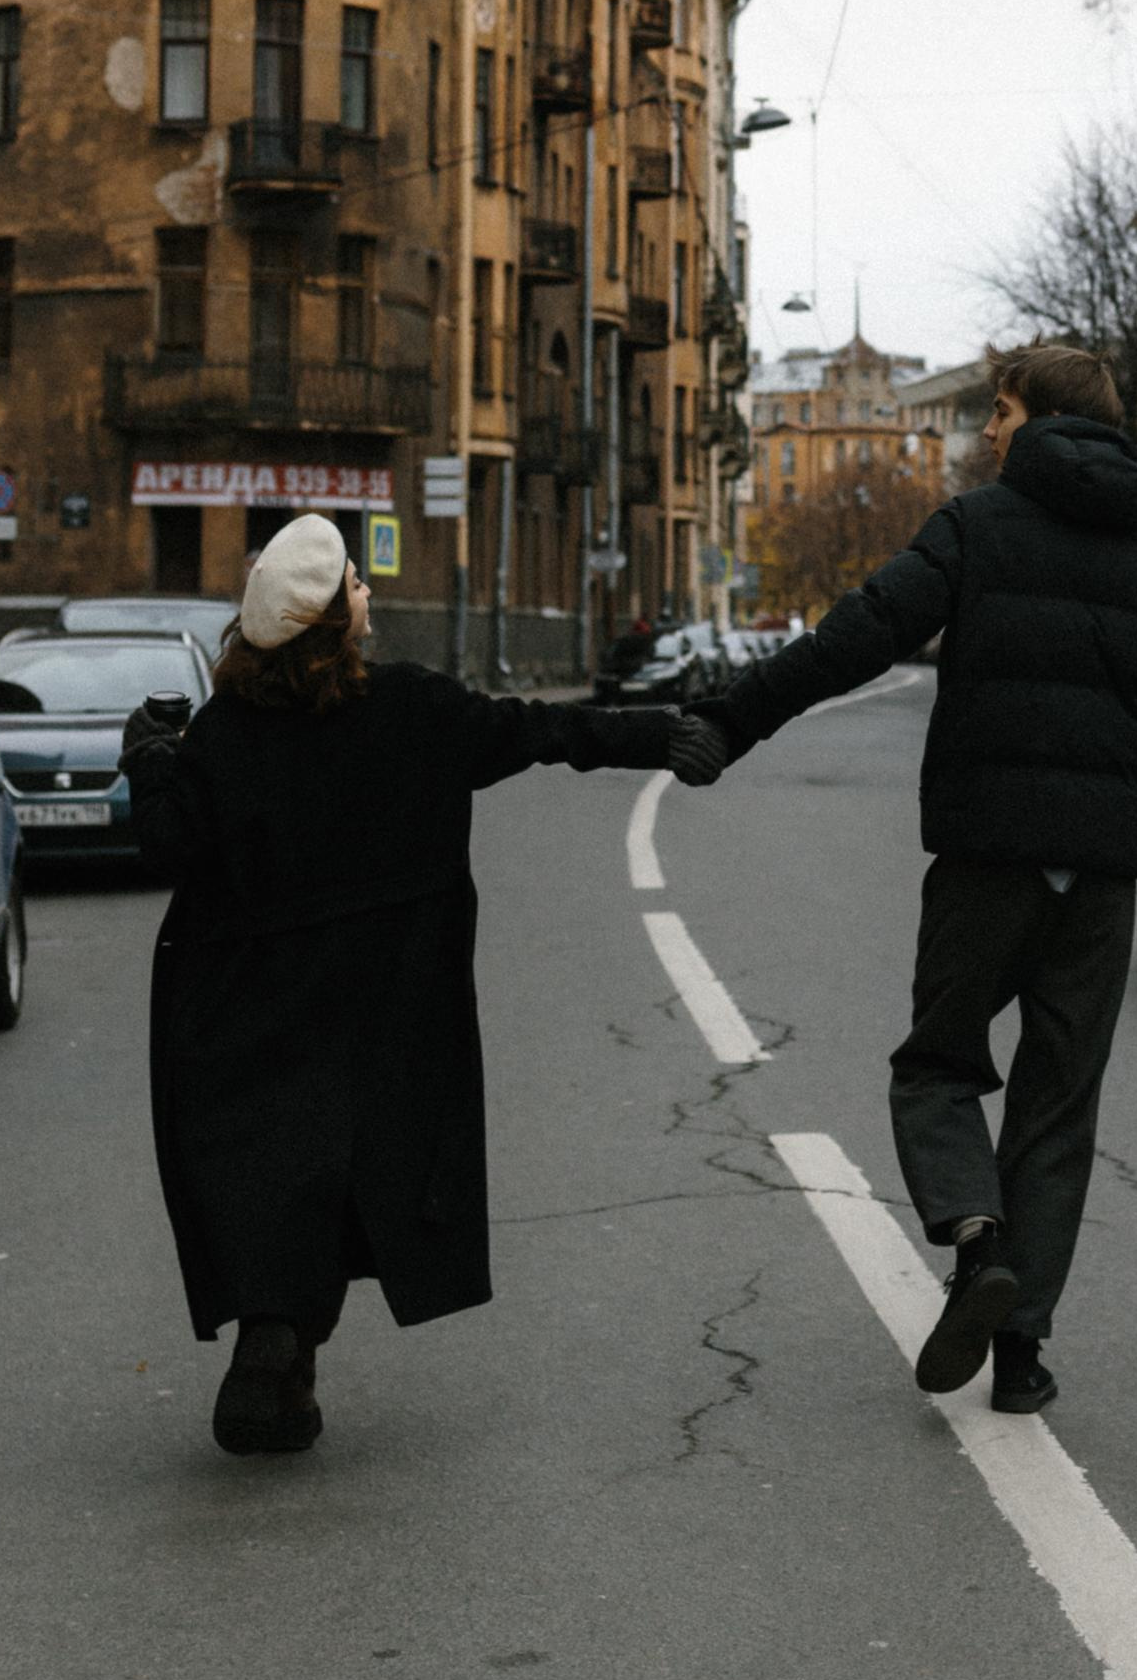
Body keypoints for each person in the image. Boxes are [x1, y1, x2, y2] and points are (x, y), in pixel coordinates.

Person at [678, 344, 1137, 1415]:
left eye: (1000, 410)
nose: (984, 431)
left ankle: (977, 1242)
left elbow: (858, 634)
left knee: (937, 1064)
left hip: (988, 858)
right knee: (1057, 1106)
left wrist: (733, 718)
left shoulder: (976, 527)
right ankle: (1019, 1355)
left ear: (1040, 421)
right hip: (1103, 879)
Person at [122, 514, 703, 1456]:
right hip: (382, 1004)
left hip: (244, 1005)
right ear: (327, 618)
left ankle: (272, 1344)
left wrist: (148, 757)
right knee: (351, 1172)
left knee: (275, 1175)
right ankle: (280, 1356)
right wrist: (664, 737)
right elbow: (542, 731)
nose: (366, 595)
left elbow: (167, 846)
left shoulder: (223, 733)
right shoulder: (412, 709)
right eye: (355, 584)